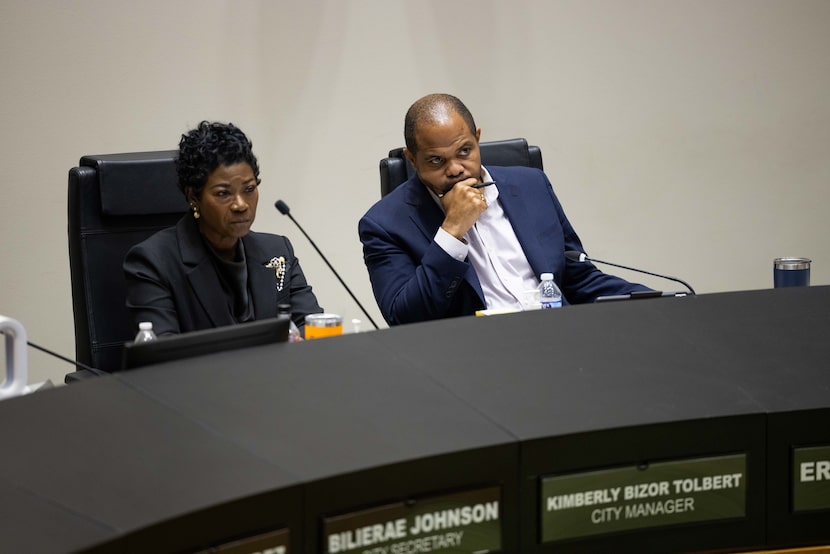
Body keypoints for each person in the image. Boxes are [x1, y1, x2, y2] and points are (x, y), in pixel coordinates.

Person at [358, 93, 650, 325]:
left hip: (561, 337)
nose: (456, 169)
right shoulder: (385, 224)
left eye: (464, 151)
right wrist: (451, 231)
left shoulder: (530, 185)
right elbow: (405, 317)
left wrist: (656, 300)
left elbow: (577, 277)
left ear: (477, 138)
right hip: (476, 359)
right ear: (412, 159)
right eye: (437, 161)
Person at [124, 121, 322, 336]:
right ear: (194, 197)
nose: (241, 205)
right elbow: (163, 354)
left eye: (249, 189)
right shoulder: (153, 263)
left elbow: (312, 327)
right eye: (223, 193)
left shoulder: (277, 251)